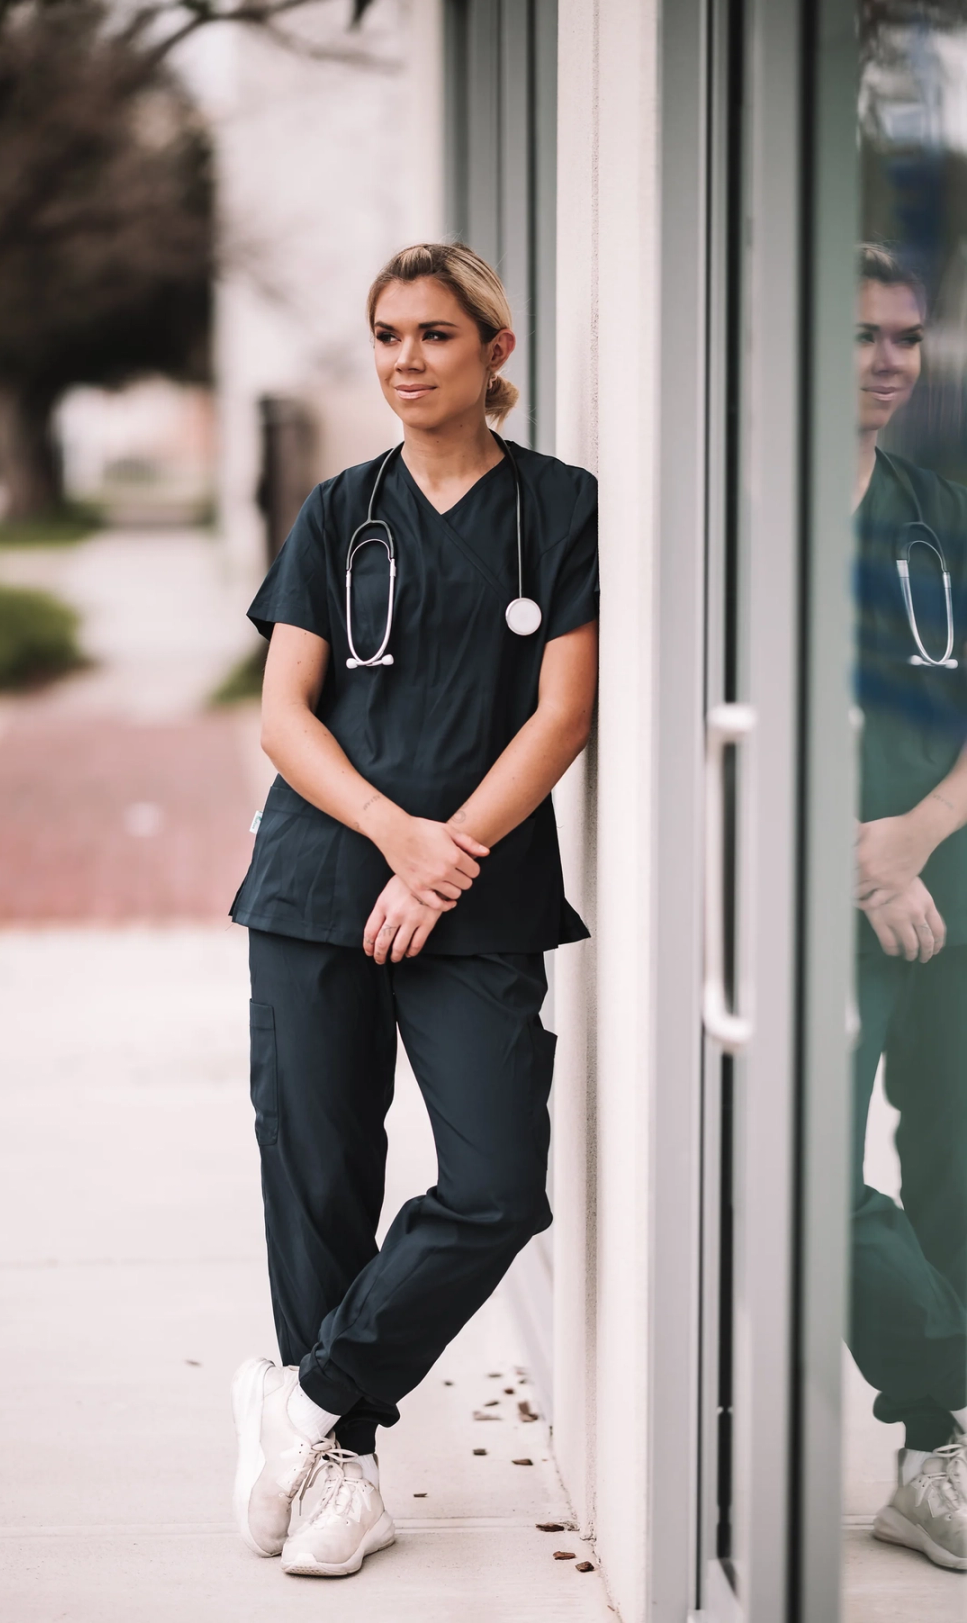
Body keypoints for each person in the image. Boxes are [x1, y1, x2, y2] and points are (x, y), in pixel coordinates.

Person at [226, 243, 599, 1579]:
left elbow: (564, 710)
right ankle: (345, 1474)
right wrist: (396, 836)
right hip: (322, 886)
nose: (403, 358)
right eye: (386, 334)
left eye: (436, 334)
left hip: (480, 904)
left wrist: (453, 858)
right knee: (321, 1181)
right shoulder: (342, 508)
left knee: (494, 1185)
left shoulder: (558, 508)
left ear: (496, 354)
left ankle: (309, 1395)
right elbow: (285, 715)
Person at [851, 243, 967, 1570]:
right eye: (862, 335)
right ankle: (955, 1379)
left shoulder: (941, 513)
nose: (888, 360)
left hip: (946, 874)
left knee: (953, 1157)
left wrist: (917, 838)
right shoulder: (753, 522)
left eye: (904, 337)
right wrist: (851, 858)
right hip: (812, 890)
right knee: (813, 1175)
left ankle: (934, 1453)